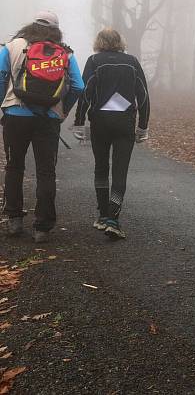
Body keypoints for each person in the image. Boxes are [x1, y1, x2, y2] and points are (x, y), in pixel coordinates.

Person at [1, 11, 85, 243]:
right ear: (56, 30)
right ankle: (42, 228)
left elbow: (0, 76)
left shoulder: (13, 46)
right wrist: (63, 111)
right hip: (49, 118)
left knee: (14, 166)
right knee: (46, 171)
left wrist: (3, 104)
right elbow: (78, 86)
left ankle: (14, 220)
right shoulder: (65, 52)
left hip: (16, 114)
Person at [72, 28, 150, 240]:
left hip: (100, 121)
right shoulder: (132, 61)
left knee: (101, 167)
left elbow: (86, 91)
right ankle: (113, 219)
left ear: (98, 42)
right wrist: (143, 125)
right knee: (120, 170)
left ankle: (103, 215)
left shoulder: (94, 61)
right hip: (125, 122)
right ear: (120, 42)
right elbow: (142, 95)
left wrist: (79, 122)